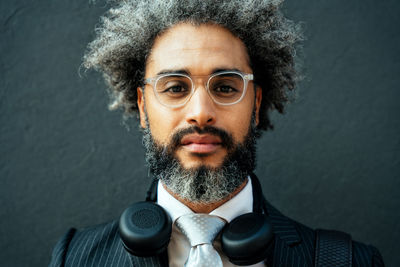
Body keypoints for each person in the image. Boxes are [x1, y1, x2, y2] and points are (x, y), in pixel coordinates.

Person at [49, 0, 384, 266]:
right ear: (142, 106)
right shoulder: (75, 258)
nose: (200, 113)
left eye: (225, 87)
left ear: (255, 104)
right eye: (175, 87)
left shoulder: (350, 261)